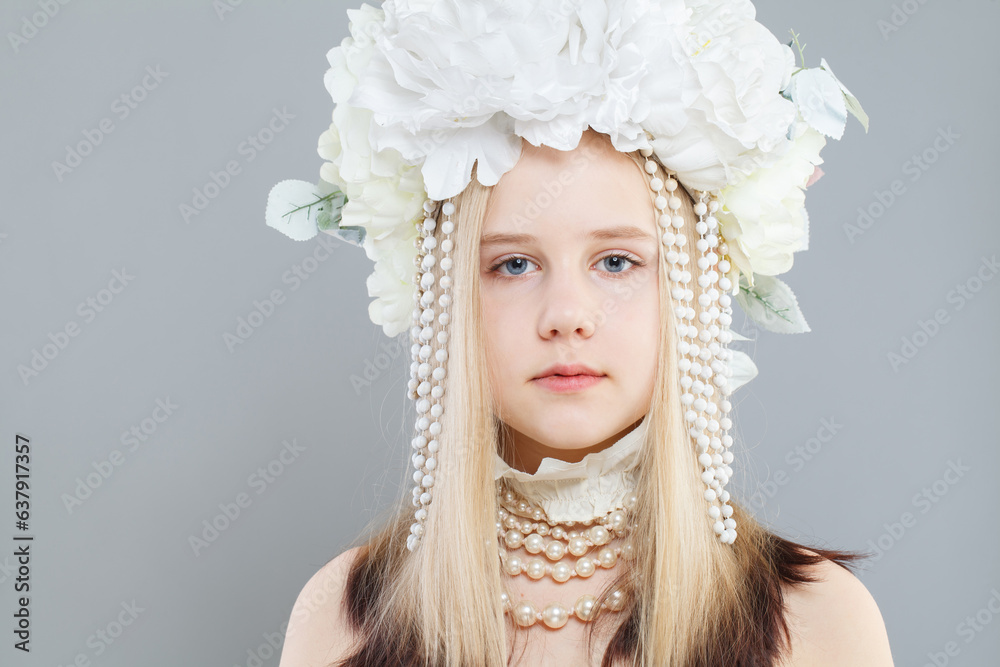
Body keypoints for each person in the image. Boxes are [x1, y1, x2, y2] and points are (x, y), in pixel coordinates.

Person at [265, 1, 892, 664]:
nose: (567, 313)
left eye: (616, 261)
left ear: (691, 287)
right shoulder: (341, 615)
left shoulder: (815, 618)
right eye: (513, 264)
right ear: (447, 296)